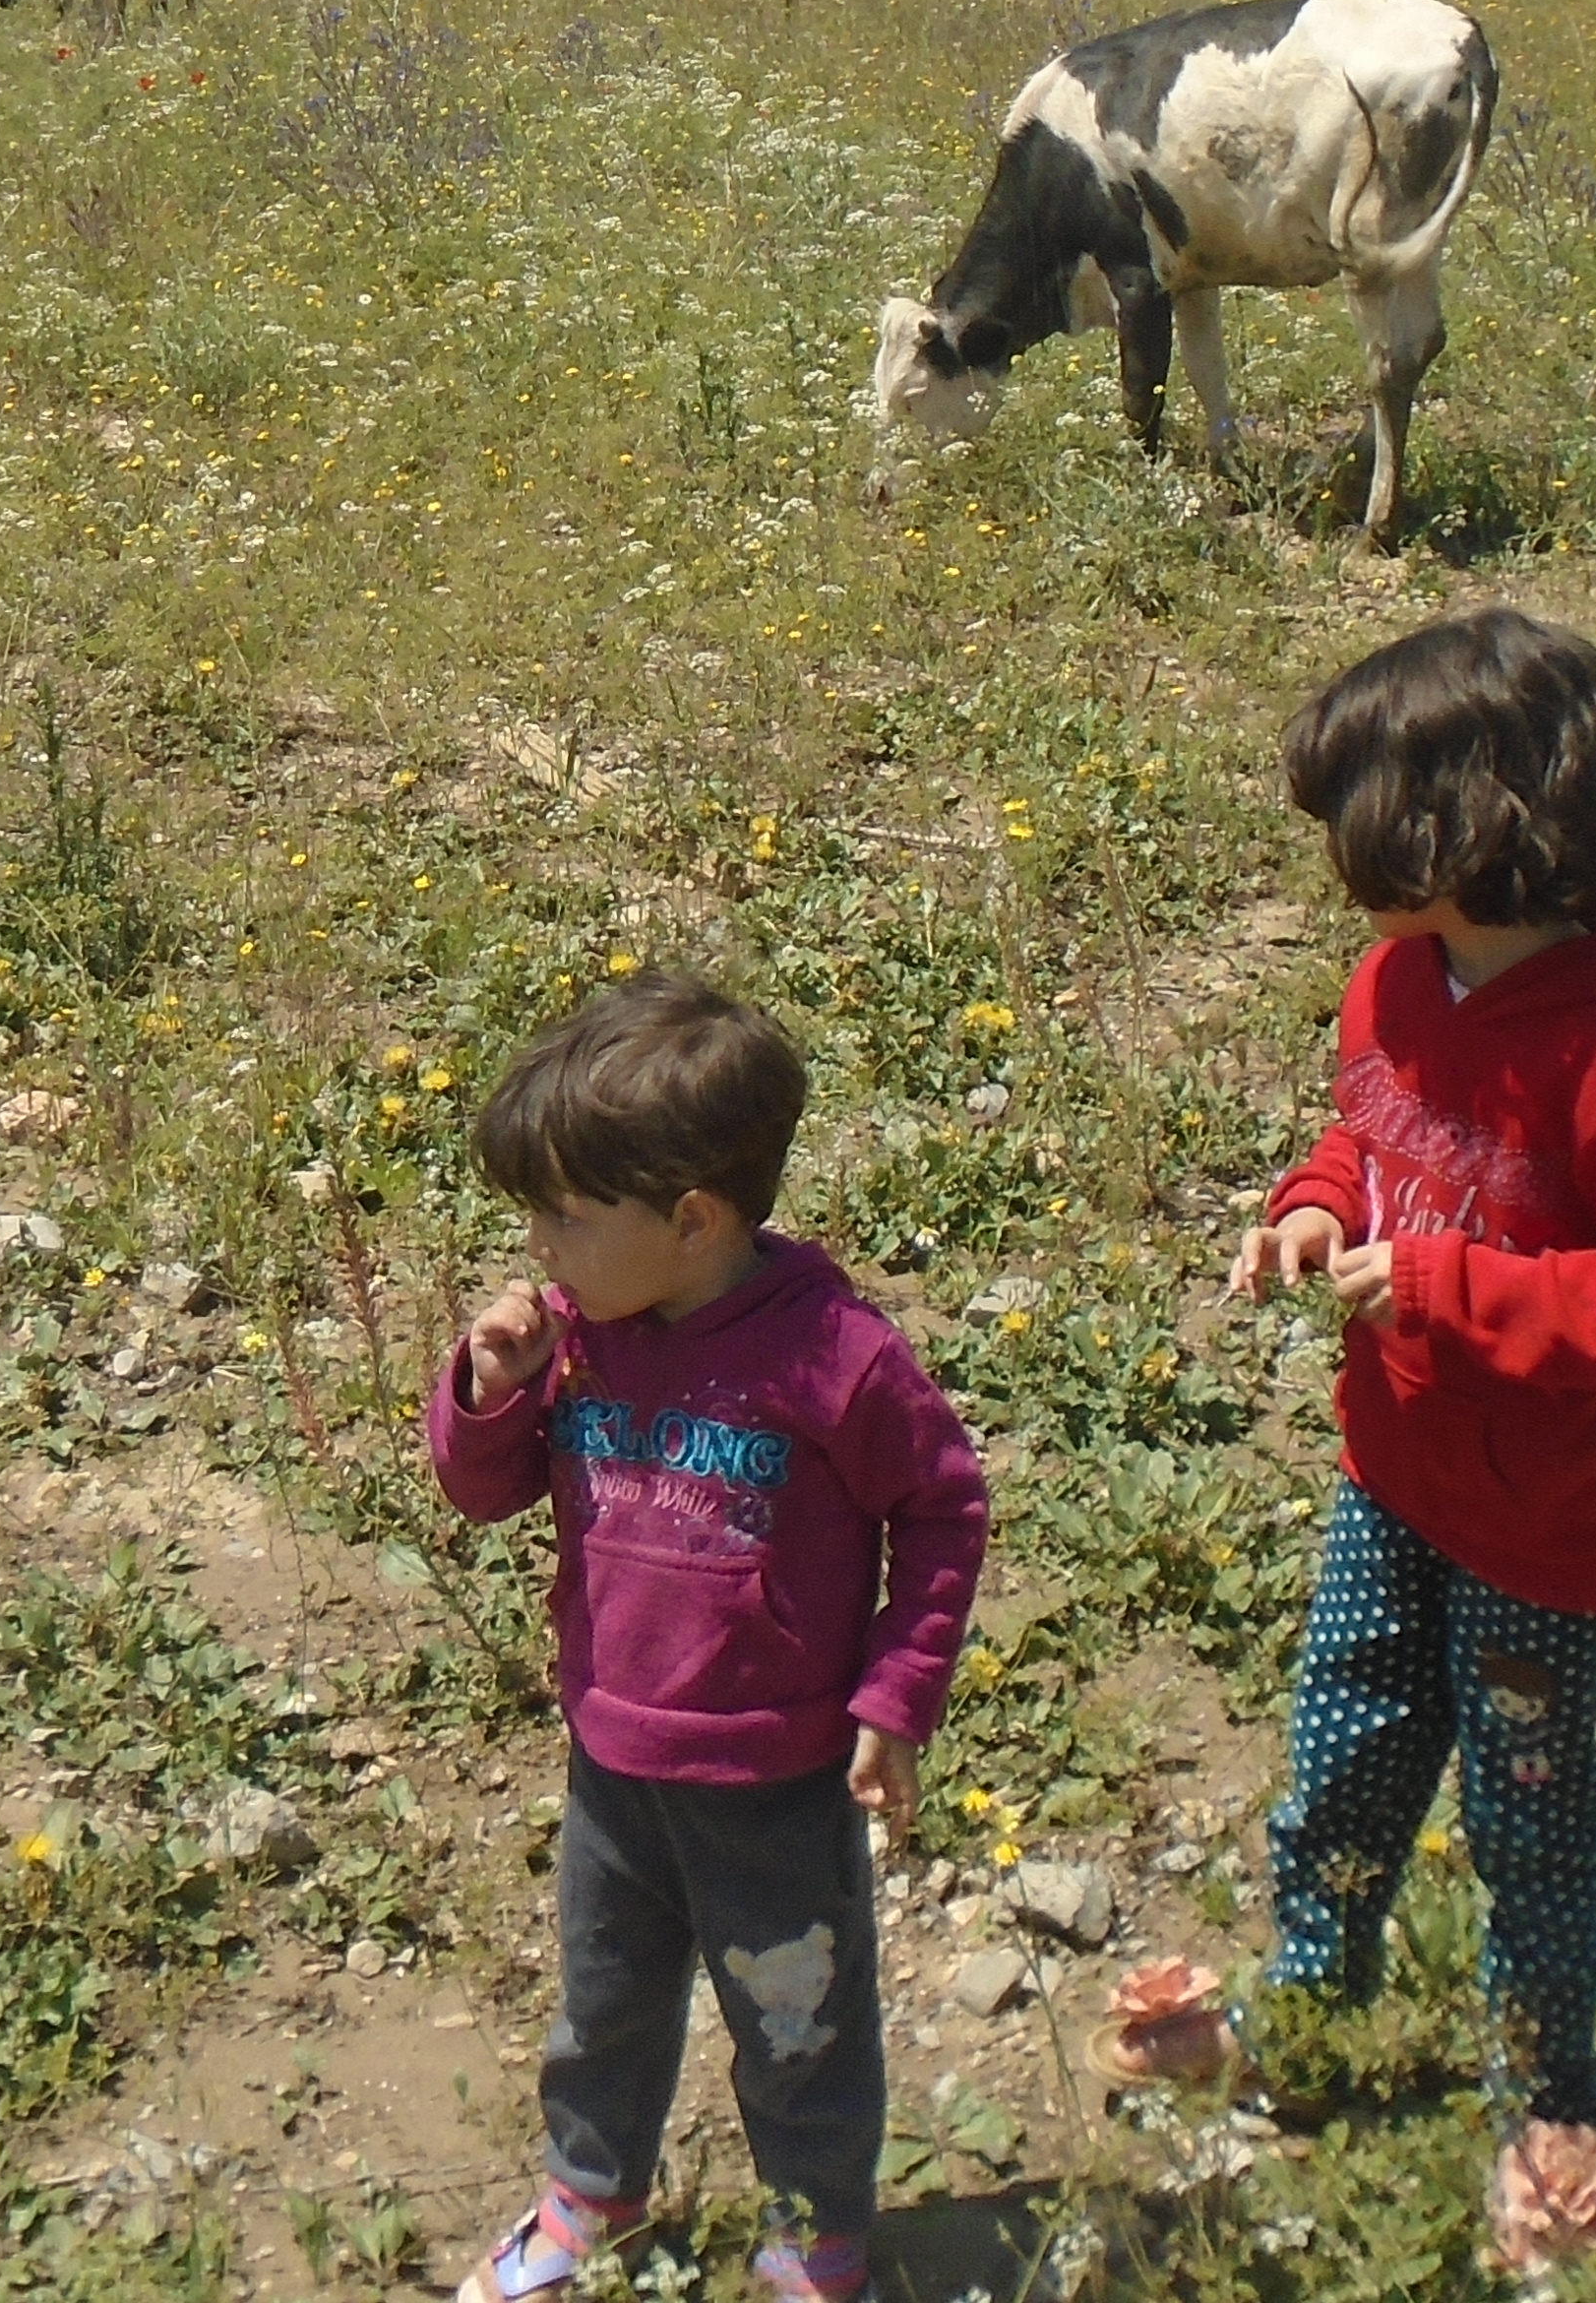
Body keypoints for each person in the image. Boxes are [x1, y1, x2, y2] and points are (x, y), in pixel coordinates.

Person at [1098, 608, 1596, 2273]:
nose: (1330, 849)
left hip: (1547, 1524)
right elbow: (1365, 1132)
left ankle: (1542, 2093)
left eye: (1352, 813)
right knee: (1345, 1742)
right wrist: (1313, 1212)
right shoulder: (1403, 976)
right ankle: (1313, 1980)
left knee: (1529, 1811)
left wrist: (1461, 1288)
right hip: (1391, 1474)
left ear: (1461, 828)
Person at [429, 977, 989, 2303]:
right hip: (614, 1763)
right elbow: (482, 1488)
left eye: (566, 1216)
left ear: (693, 1219)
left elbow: (944, 1509)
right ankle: (589, 2191)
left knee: (798, 2021)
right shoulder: (580, 1340)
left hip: (777, 1782)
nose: (540, 1245)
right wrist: (489, 1390)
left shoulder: (834, 1358)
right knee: (604, 2004)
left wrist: (896, 1694)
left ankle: (813, 2233)